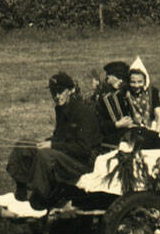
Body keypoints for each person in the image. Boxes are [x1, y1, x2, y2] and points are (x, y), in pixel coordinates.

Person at [7, 72, 102, 209]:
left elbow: (83, 149)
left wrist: (53, 145)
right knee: (24, 146)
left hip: (83, 162)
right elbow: (61, 136)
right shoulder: (61, 109)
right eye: (53, 92)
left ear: (71, 90)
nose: (57, 96)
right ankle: (21, 195)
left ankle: (40, 201)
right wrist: (48, 142)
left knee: (45, 156)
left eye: (60, 92)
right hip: (67, 155)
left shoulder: (83, 112)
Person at [95, 61, 129, 145]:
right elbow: (98, 124)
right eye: (118, 77)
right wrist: (117, 125)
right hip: (111, 136)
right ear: (108, 78)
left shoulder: (124, 93)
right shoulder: (101, 98)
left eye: (123, 78)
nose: (121, 81)